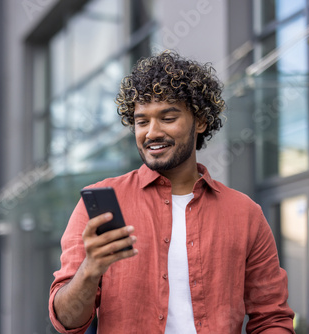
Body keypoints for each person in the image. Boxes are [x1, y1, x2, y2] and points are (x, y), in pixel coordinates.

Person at [48, 51, 295, 333]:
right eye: (142, 122)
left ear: (200, 122)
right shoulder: (104, 201)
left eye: (167, 117)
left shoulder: (245, 213)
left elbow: (271, 318)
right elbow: (66, 321)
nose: (151, 132)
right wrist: (91, 269)